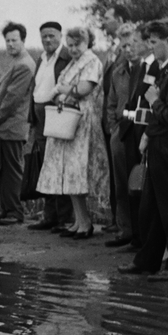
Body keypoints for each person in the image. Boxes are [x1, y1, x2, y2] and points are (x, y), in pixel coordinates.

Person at [118, 18, 168, 281]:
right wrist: (148, 136)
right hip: (160, 143)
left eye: (153, 42)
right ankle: (148, 260)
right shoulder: (167, 68)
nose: (150, 47)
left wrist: (154, 102)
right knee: (152, 208)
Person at [36, 25, 102, 238]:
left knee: (77, 171)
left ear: (87, 43)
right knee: (68, 172)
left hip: (81, 120)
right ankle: (78, 221)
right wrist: (63, 91)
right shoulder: (74, 63)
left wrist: (63, 90)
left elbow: (83, 89)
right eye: (70, 45)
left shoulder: (92, 61)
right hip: (65, 119)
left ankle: (85, 223)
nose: (73, 49)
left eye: (77, 45)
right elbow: (59, 90)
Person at [0, 21, 35, 225]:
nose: (10, 44)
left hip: (13, 124)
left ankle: (15, 211)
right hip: (7, 125)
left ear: (23, 40)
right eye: (7, 41)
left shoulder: (24, 64)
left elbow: (11, 99)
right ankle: (6, 209)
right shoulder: (17, 61)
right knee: (3, 169)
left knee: (12, 170)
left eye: (14, 40)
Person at [104, 26, 149, 248]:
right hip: (121, 132)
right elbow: (111, 103)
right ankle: (125, 231)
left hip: (141, 132)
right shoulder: (118, 72)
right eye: (124, 46)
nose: (128, 49)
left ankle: (142, 235)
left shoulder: (149, 69)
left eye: (132, 44)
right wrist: (113, 127)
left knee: (139, 183)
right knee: (121, 183)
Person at [27, 22, 74, 231]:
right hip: (39, 116)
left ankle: (64, 218)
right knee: (45, 166)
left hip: (55, 113)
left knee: (59, 164)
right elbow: (36, 88)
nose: (48, 40)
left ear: (60, 36)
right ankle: (49, 215)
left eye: (52, 36)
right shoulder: (41, 59)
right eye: (44, 36)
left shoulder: (66, 57)